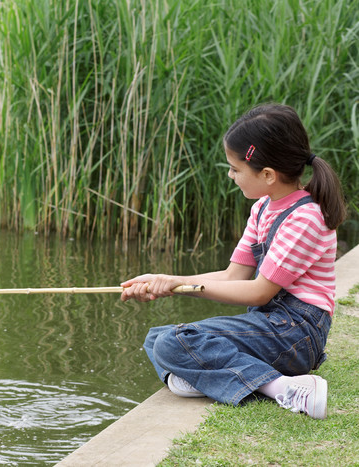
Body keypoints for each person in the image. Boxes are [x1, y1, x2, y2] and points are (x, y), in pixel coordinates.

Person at [120, 103, 346, 420]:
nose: (230, 175)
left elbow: (258, 293)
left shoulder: (305, 218)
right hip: (271, 325)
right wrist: (167, 281)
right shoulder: (263, 208)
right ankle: (210, 377)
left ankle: (285, 388)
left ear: (267, 175)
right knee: (157, 337)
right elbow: (232, 276)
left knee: (174, 342)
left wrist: (179, 286)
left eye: (235, 169)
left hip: (295, 334)